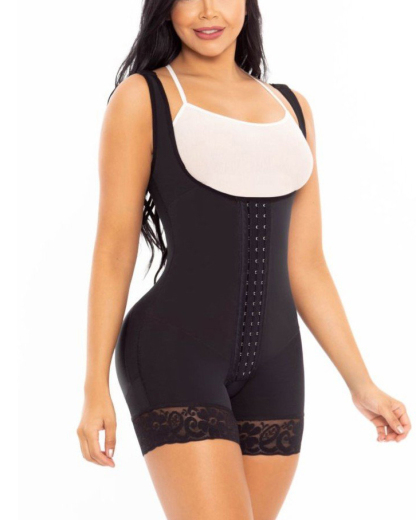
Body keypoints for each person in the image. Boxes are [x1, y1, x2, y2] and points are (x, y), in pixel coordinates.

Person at [77, 1, 411, 518]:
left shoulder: (293, 108)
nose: (208, 11)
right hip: (174, 352)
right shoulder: (144, 97)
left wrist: (361, 383)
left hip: (277, 364)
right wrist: (94, 384)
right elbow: (114, 249)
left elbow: (307, 264)